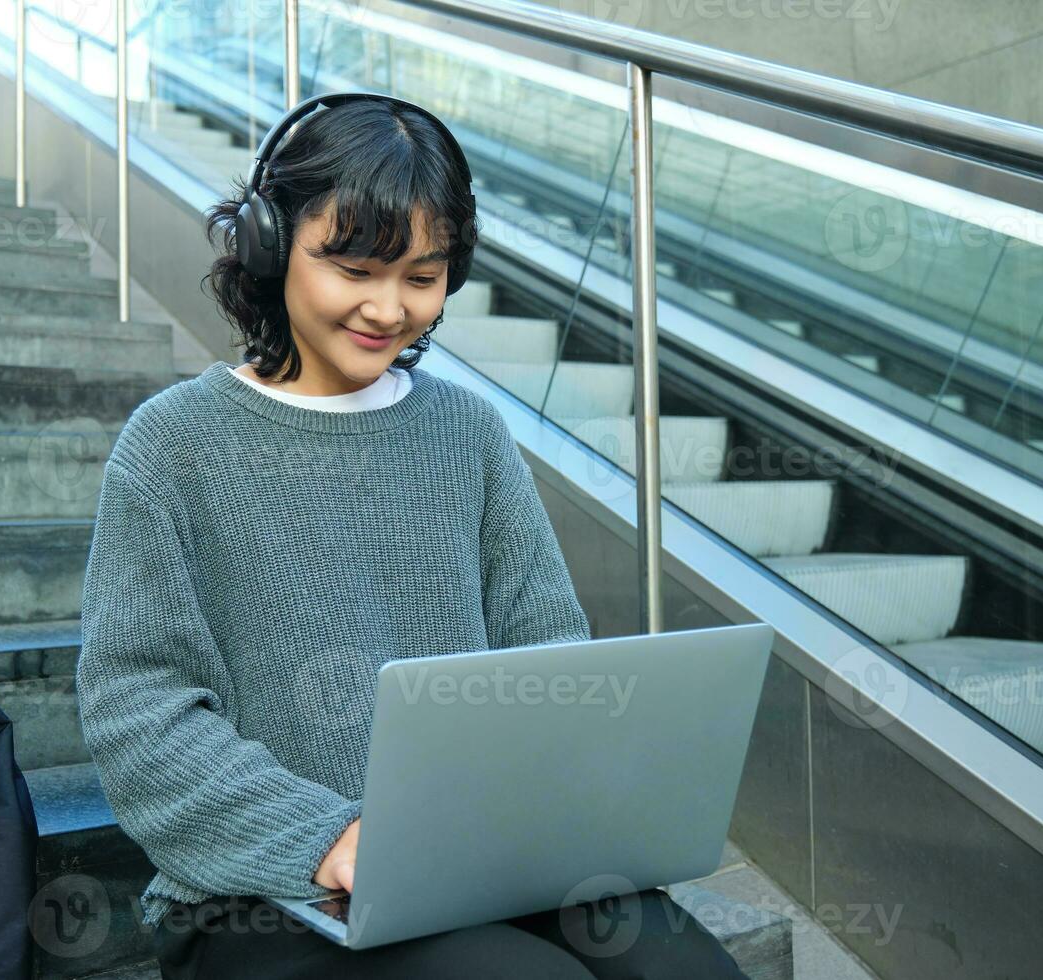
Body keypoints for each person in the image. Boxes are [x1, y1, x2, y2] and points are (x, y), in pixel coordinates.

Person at [75, 94, 749, 979]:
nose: (388, 309)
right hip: (262, 895)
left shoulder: (468, 434)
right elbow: (139, 711)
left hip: (482, 862)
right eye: (353, 268)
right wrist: (330, 836)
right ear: (268, 244)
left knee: (677, 968)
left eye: (422, 278)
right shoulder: (173, 445)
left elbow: (547, 652)